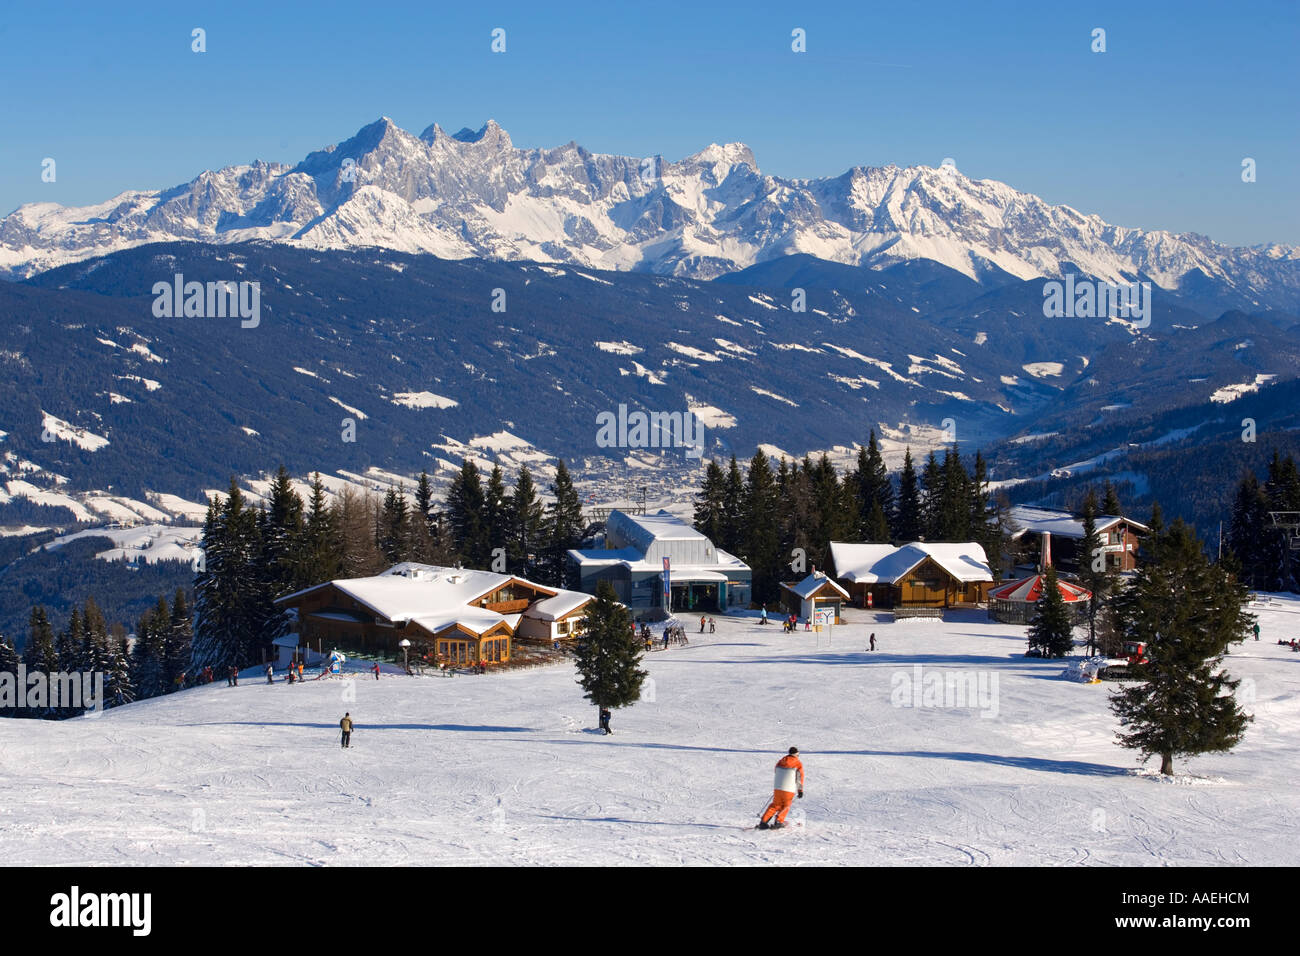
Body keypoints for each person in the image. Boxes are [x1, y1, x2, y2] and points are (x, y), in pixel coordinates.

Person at [758, 747, 805, 830]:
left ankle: (763, 822)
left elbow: (776, 770)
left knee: (775, 805)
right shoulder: (798, 763)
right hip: (789, 788)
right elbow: (799, 777)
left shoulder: (781, 761)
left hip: (778, 787)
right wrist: (800, 790)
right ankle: (779, 821)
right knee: (786, 805)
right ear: (796, 754)